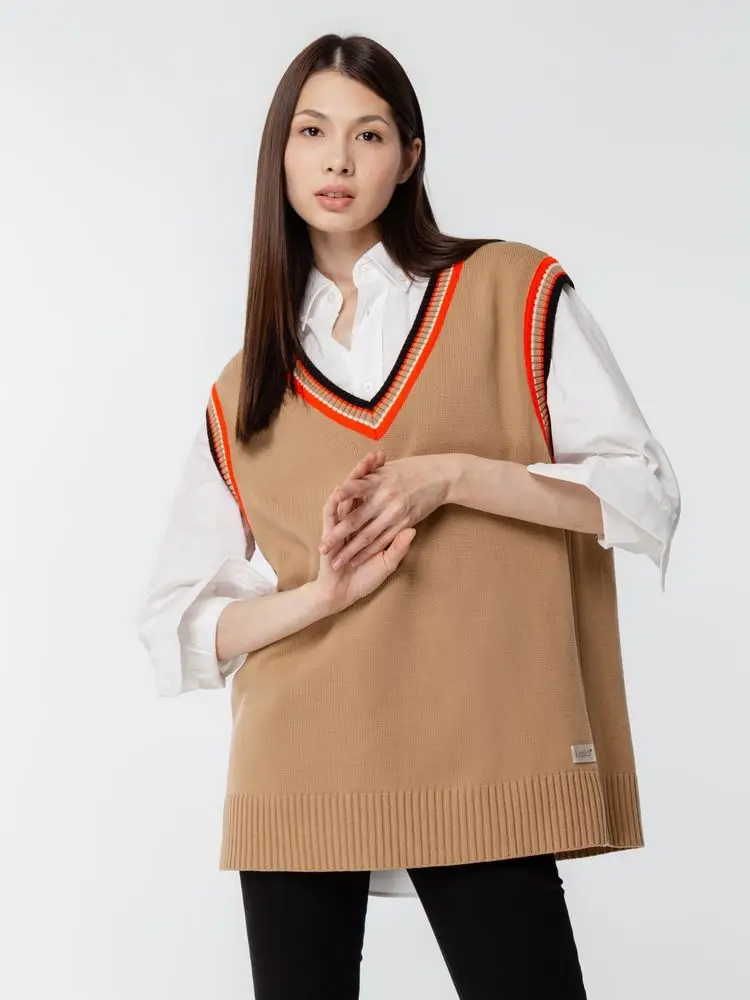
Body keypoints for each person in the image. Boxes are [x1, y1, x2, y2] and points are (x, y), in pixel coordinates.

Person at [137, 32, 681, 1000]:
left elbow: (642, 492)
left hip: (485, 745)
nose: (339, 161)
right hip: (298, 765)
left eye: (369, 134)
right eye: (312, 132)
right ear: (280, 155)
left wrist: (454, 476)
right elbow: (178, 624)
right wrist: (324, 595)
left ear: (409, 157)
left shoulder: (514, 292)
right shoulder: (246, 384)